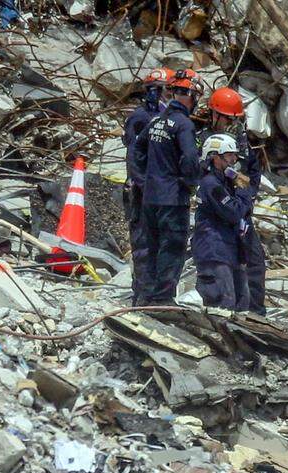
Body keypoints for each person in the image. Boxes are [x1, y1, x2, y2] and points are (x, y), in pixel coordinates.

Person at [132, 68, 203, 305]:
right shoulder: (183, 125)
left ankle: (145, 298)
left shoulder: (156, 122)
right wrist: (189, 182)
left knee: (150, 248)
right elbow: (191, 159)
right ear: (191, 96)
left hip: (149, 198)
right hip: (172, 199)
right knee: (171, 249)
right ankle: (162, 300)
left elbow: (136, 150)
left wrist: (145, 178)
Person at [201, 87, 266, 314]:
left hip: (240, 210)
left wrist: (247, 194)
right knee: (222, 267)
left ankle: (256, 313)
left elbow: (253, 173)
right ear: (215, 115)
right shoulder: (207, 142)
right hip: (220, 212)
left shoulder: (241, 144)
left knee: (254, 263)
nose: (230, 124)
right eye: (227, 119)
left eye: (234, 120)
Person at [123, 67, 169, 306]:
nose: (165, 97)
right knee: (144, 245)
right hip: (141, 192)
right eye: (162, 91)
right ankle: (143, 299)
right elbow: (134, 156)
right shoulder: (141, 118)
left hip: (158, 191)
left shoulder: (165, 120)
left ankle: (154, 297)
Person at [192, 134, 252, 311]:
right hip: (214, 250)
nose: (233, 160)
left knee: (242, 302)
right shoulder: (211, 184)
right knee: (223, 304)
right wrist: (243, 192)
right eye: (229, 156)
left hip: (228, 249)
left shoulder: (225, 183)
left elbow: (244, 211)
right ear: (215, 157)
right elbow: (233, 212)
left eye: (234, 155)